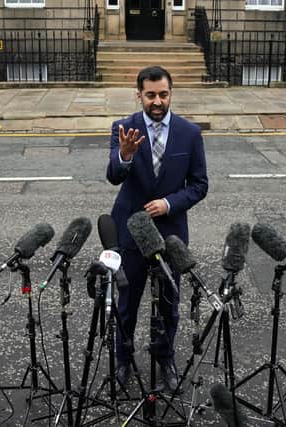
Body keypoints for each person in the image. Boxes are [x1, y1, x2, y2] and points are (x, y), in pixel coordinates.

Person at [106, 66, 208, 392]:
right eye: (150, 95)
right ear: (139, 95)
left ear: (171, 94)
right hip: (131, 229)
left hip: (170, 231)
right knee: (128, 301)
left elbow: (199, 185)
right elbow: (114, 176)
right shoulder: (124, 128)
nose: (157, 101)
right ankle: (123, 361)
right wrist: (124, 156)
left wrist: (169, 203)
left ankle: (165, 360)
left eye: (163, 94)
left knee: (167, 304)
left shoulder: (189, 133)